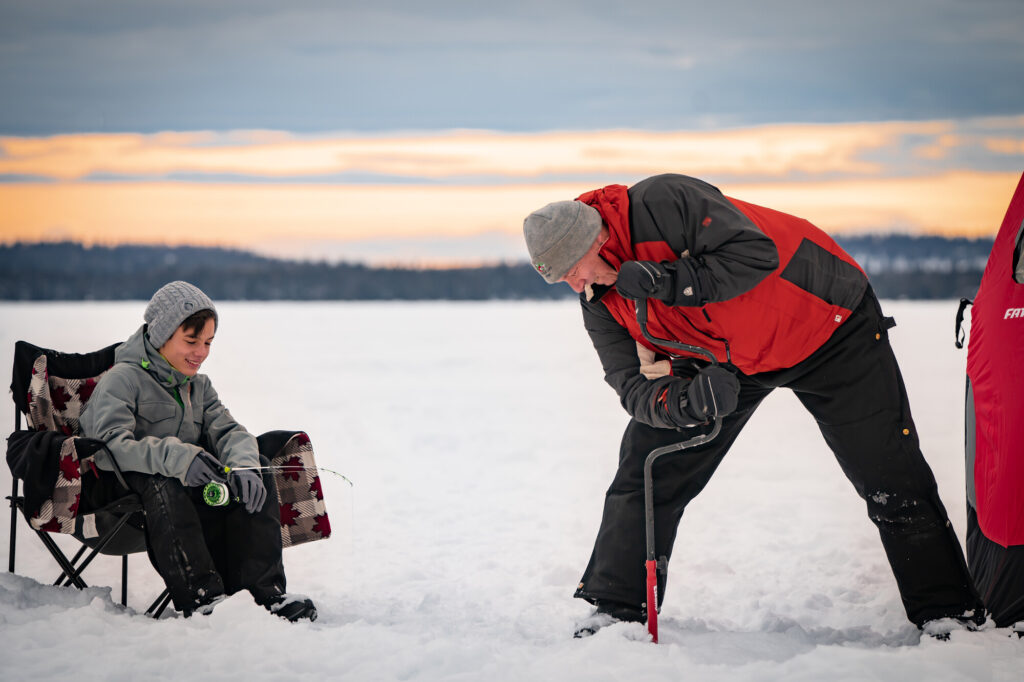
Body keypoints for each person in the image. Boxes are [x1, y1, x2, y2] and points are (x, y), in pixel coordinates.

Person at [522, 173, 984, 638]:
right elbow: (633, 386)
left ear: (598, 237)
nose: (574, 282)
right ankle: (618, 610)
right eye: (561, 277)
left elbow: (755, 253)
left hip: (828, 324)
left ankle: (948, 614)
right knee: (646, 469)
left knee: (889, 475)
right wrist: (685, 401)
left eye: (574, 267)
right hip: (725, 358)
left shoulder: (663, 202)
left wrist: (664, 281)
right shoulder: (598, 297)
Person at [80, 280, 317, 621]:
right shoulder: (123, 380)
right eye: (191, 341)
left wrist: (244, 465)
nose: (201, 352)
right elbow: (107, 447)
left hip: (193, 502)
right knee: (164, 480)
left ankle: (264, 594)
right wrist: (180, 458)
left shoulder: (198, 387)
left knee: (256, 464)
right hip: (119, 504)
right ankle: (204, 598)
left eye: (208, 342)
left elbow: (230, 431)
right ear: (162, 335)